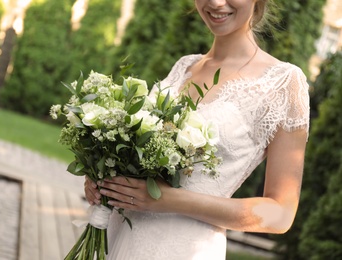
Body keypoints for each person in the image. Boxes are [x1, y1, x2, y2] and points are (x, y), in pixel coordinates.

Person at [84, 0, 310, 259]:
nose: (215, 2)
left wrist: (167, 200)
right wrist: (104, 178)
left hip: (185, 247)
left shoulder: (283, 84)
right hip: (120, 235)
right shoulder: (184, 67)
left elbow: (280, 215)